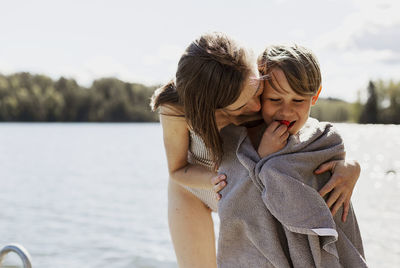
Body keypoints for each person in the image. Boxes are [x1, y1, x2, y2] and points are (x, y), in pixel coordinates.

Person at [151, 33, 361, 268]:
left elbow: (305, 130)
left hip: (245, 186)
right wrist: (218, 180)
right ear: (215, 106)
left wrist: (349, 165)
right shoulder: (176, 109)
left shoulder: (264, 84)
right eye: (243, 105)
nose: (257, 105)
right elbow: (177, 169)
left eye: (257, 89)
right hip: (195, 189)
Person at [217, 44, 367, 267]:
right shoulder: (240, 140)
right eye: (275, 100)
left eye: (298, 101)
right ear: (259, 95)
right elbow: (238, 202)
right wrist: (263, 159)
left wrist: (353, 167)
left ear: (315, 96)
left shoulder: (323, 142)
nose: (286, 111)